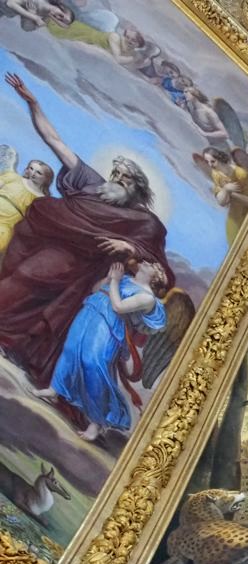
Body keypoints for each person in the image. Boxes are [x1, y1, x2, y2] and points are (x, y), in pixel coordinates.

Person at [0, 73, 174, 389]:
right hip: (50, 243)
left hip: (77, 266)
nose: (117, 178)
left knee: (25, 278)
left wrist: (128, 248)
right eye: (115, 172)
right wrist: (34, 103)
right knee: (22, 280)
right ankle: (9, 337)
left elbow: (156, 269)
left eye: (125, 178)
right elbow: (55, 141)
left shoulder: (145, 223)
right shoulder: (92, 183)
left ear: (137, 189)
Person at [33, 260, 166, 441]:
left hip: (110, 325)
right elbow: (96, 290)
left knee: (94, 364)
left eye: (152, 265)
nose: (146, 262)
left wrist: (115, 281)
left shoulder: (147, 297)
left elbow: (118, 306)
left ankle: (97, 422)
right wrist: (110, 278)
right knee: (71, 348)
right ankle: (55, 390)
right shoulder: (125, 278)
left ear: (156, 277)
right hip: (92, 310)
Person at [201, 147, 248, 244]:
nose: (210, 165)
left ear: (219, 158)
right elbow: (221, 202)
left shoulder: (240, 174)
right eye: (207, 162)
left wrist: (230, 193)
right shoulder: (216, 174)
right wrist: (226, 189)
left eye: (212, 161)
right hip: (236, 210)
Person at [0, 155, 52, 256]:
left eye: (38, 172)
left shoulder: (41, 199)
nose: (33, 173)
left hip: (6, 224)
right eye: (31, 168)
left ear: (46, 179)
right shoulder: (13, 177)